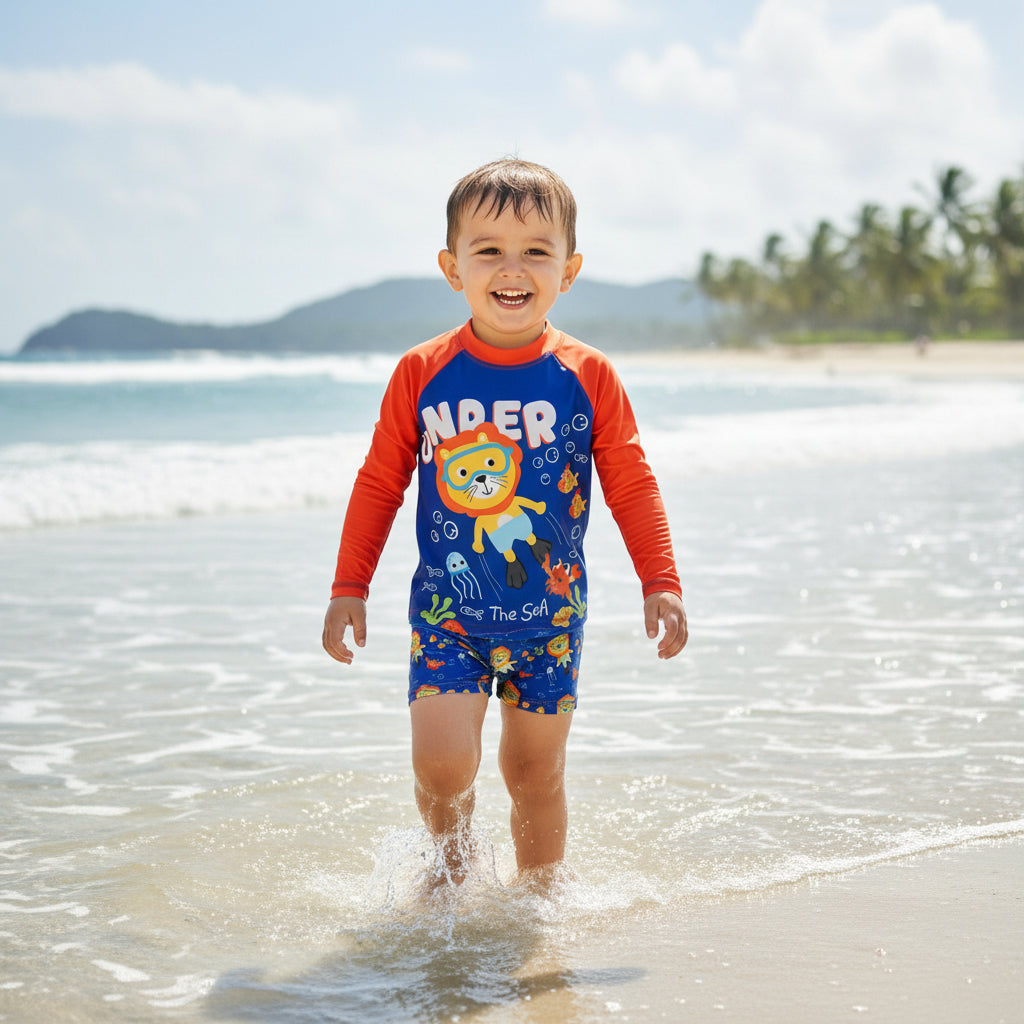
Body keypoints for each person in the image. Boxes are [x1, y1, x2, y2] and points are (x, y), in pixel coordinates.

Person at [322, 158, 687, 888]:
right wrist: (348, 584)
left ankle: (540, 901)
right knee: (440, 762)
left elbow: (630, 481)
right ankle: (454, 859)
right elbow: (379, 482)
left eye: (535, 252)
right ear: (452, 268)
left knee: (534, 771)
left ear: (570, 269)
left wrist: (662, 578)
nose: (511, 268)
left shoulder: (588, 374)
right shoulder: (422, 372)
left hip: (549, 613)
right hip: (447, 611)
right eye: (487, 250)